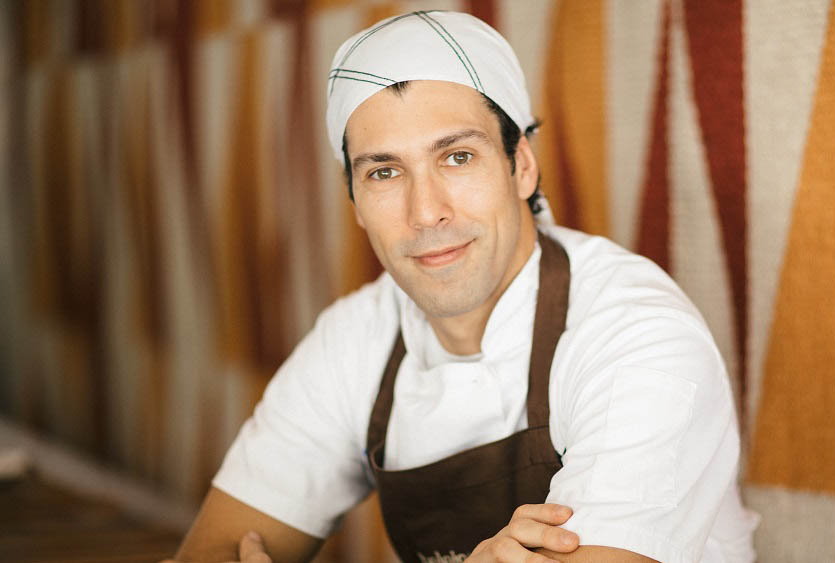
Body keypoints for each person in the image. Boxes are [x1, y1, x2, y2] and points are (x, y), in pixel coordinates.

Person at [172, 10, 758, 563]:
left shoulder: (638, 337)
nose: (425, 211)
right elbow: (216, 549)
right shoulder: (354, 339)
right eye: (384, 172)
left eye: (457, 157)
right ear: (355, 202)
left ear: (521, 166)